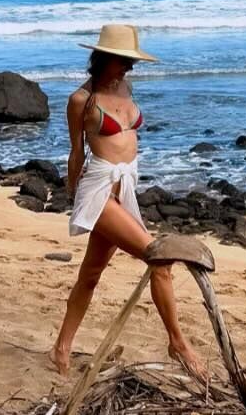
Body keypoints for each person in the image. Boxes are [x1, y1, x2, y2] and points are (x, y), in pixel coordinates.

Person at [50, 23, 207, 383]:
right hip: (99, 192)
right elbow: (76, 152)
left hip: (125, 190)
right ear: (104, 58)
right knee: (159, 259)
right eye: (124, 60)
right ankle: (178, 343)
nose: (130, 67)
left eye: (131, 61)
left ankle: (61, 348)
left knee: (90, 275)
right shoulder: (81, 100)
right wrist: (73, 195)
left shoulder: (126, 87)